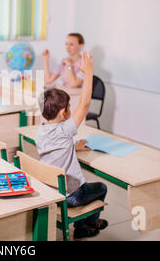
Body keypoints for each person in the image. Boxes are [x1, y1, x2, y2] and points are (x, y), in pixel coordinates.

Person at [34, 51, 108, 240]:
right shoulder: (64, 130)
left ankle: (87, 224)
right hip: (71, 195)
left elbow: (56, 148)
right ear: (62, 113)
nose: (71, 108)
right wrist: (89, 71)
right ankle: (86, 226)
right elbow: (84, 103)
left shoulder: (41, 132)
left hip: (52, 191)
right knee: (101, 187)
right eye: (68, 106)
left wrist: (73, 146)